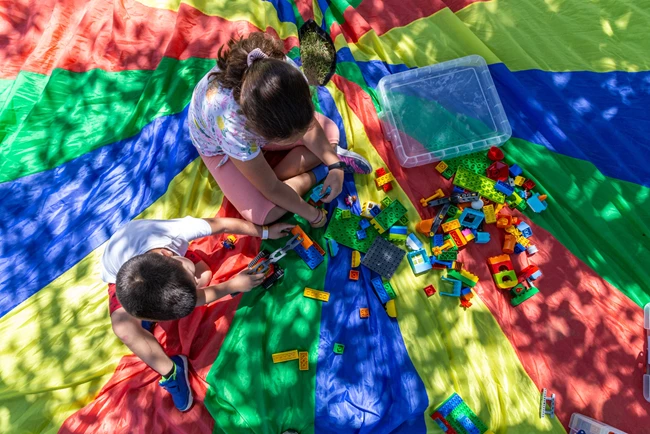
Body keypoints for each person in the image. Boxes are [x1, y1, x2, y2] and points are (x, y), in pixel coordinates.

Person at [101, 216, 294, 412]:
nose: (194, 280)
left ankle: (173, 295)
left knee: (204, 277)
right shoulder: (126, 286)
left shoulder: (178, 232)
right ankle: (171, 370)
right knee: (123, 328)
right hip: (123, 276)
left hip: (150, 262)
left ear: (169, 255)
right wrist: (231, 286)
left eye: (189, 278)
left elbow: (223, 224)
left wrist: (266, 231)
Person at [188, 32, 372, 228]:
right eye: (292, 138)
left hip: (264, 117)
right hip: (219, 144)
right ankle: (317, 172)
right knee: (263, 213)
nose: (301, 136)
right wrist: (311, 213)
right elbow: (272, 189)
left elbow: (310, 127)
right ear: (262, 133)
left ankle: (285, 174)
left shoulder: (283, 70)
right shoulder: (234, 127)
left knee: (330, 132)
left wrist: (335, 166)